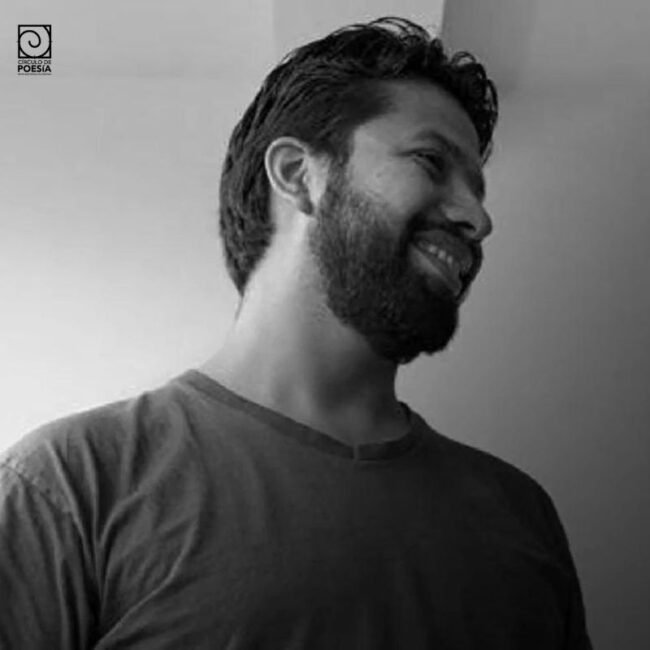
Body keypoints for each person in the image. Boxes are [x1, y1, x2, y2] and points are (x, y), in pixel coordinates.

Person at [0, 16, 592, 649]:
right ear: (297, 174)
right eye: (431, 161)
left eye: (477, 189)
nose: (478, 218)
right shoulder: (70, 487)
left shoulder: (520, 516)